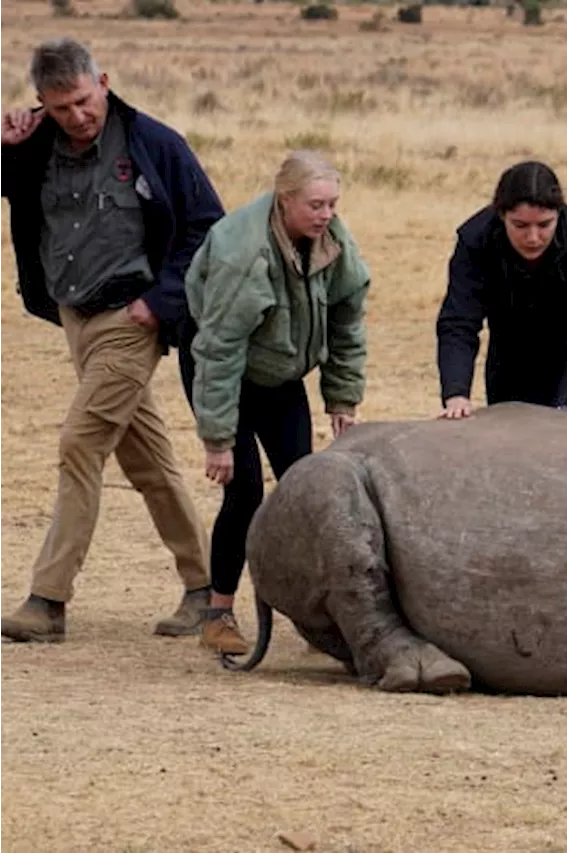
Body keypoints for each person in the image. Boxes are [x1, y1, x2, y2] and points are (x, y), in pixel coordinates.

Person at [0, 38, 222, 643]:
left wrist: (160, 303)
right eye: (60, 106)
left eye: (82, 99)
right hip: (75, 320)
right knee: (146, 459)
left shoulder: (155, 143)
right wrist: (4, 141)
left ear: (103, 80)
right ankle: (206, 589)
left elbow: (208, 227)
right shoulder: (35, 143)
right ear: (41, 103)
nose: (77, 115)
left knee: (79, 444)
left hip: (132, 322)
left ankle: (47, 601)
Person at [183, 150, 371, 655]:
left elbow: (347, 319)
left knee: (306, 487)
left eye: (332, 203)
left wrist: (342, 396)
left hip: (280, 368)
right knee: (242, 491)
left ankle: (321, 615)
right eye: (315, 204)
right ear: (284, 201)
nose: (327, 213)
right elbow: (219, 349)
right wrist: (218, 439)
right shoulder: (242, 253)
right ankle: (218, 613)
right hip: (226, 367)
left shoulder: (333, 241)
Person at [435, 161, 567, 419]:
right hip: (512, 358)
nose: (533, 238)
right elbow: (459, 321)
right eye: (520, 226)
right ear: (501, 215)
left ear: (560, 214)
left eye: (545, 225)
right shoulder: (476, 239)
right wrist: (456, 393)